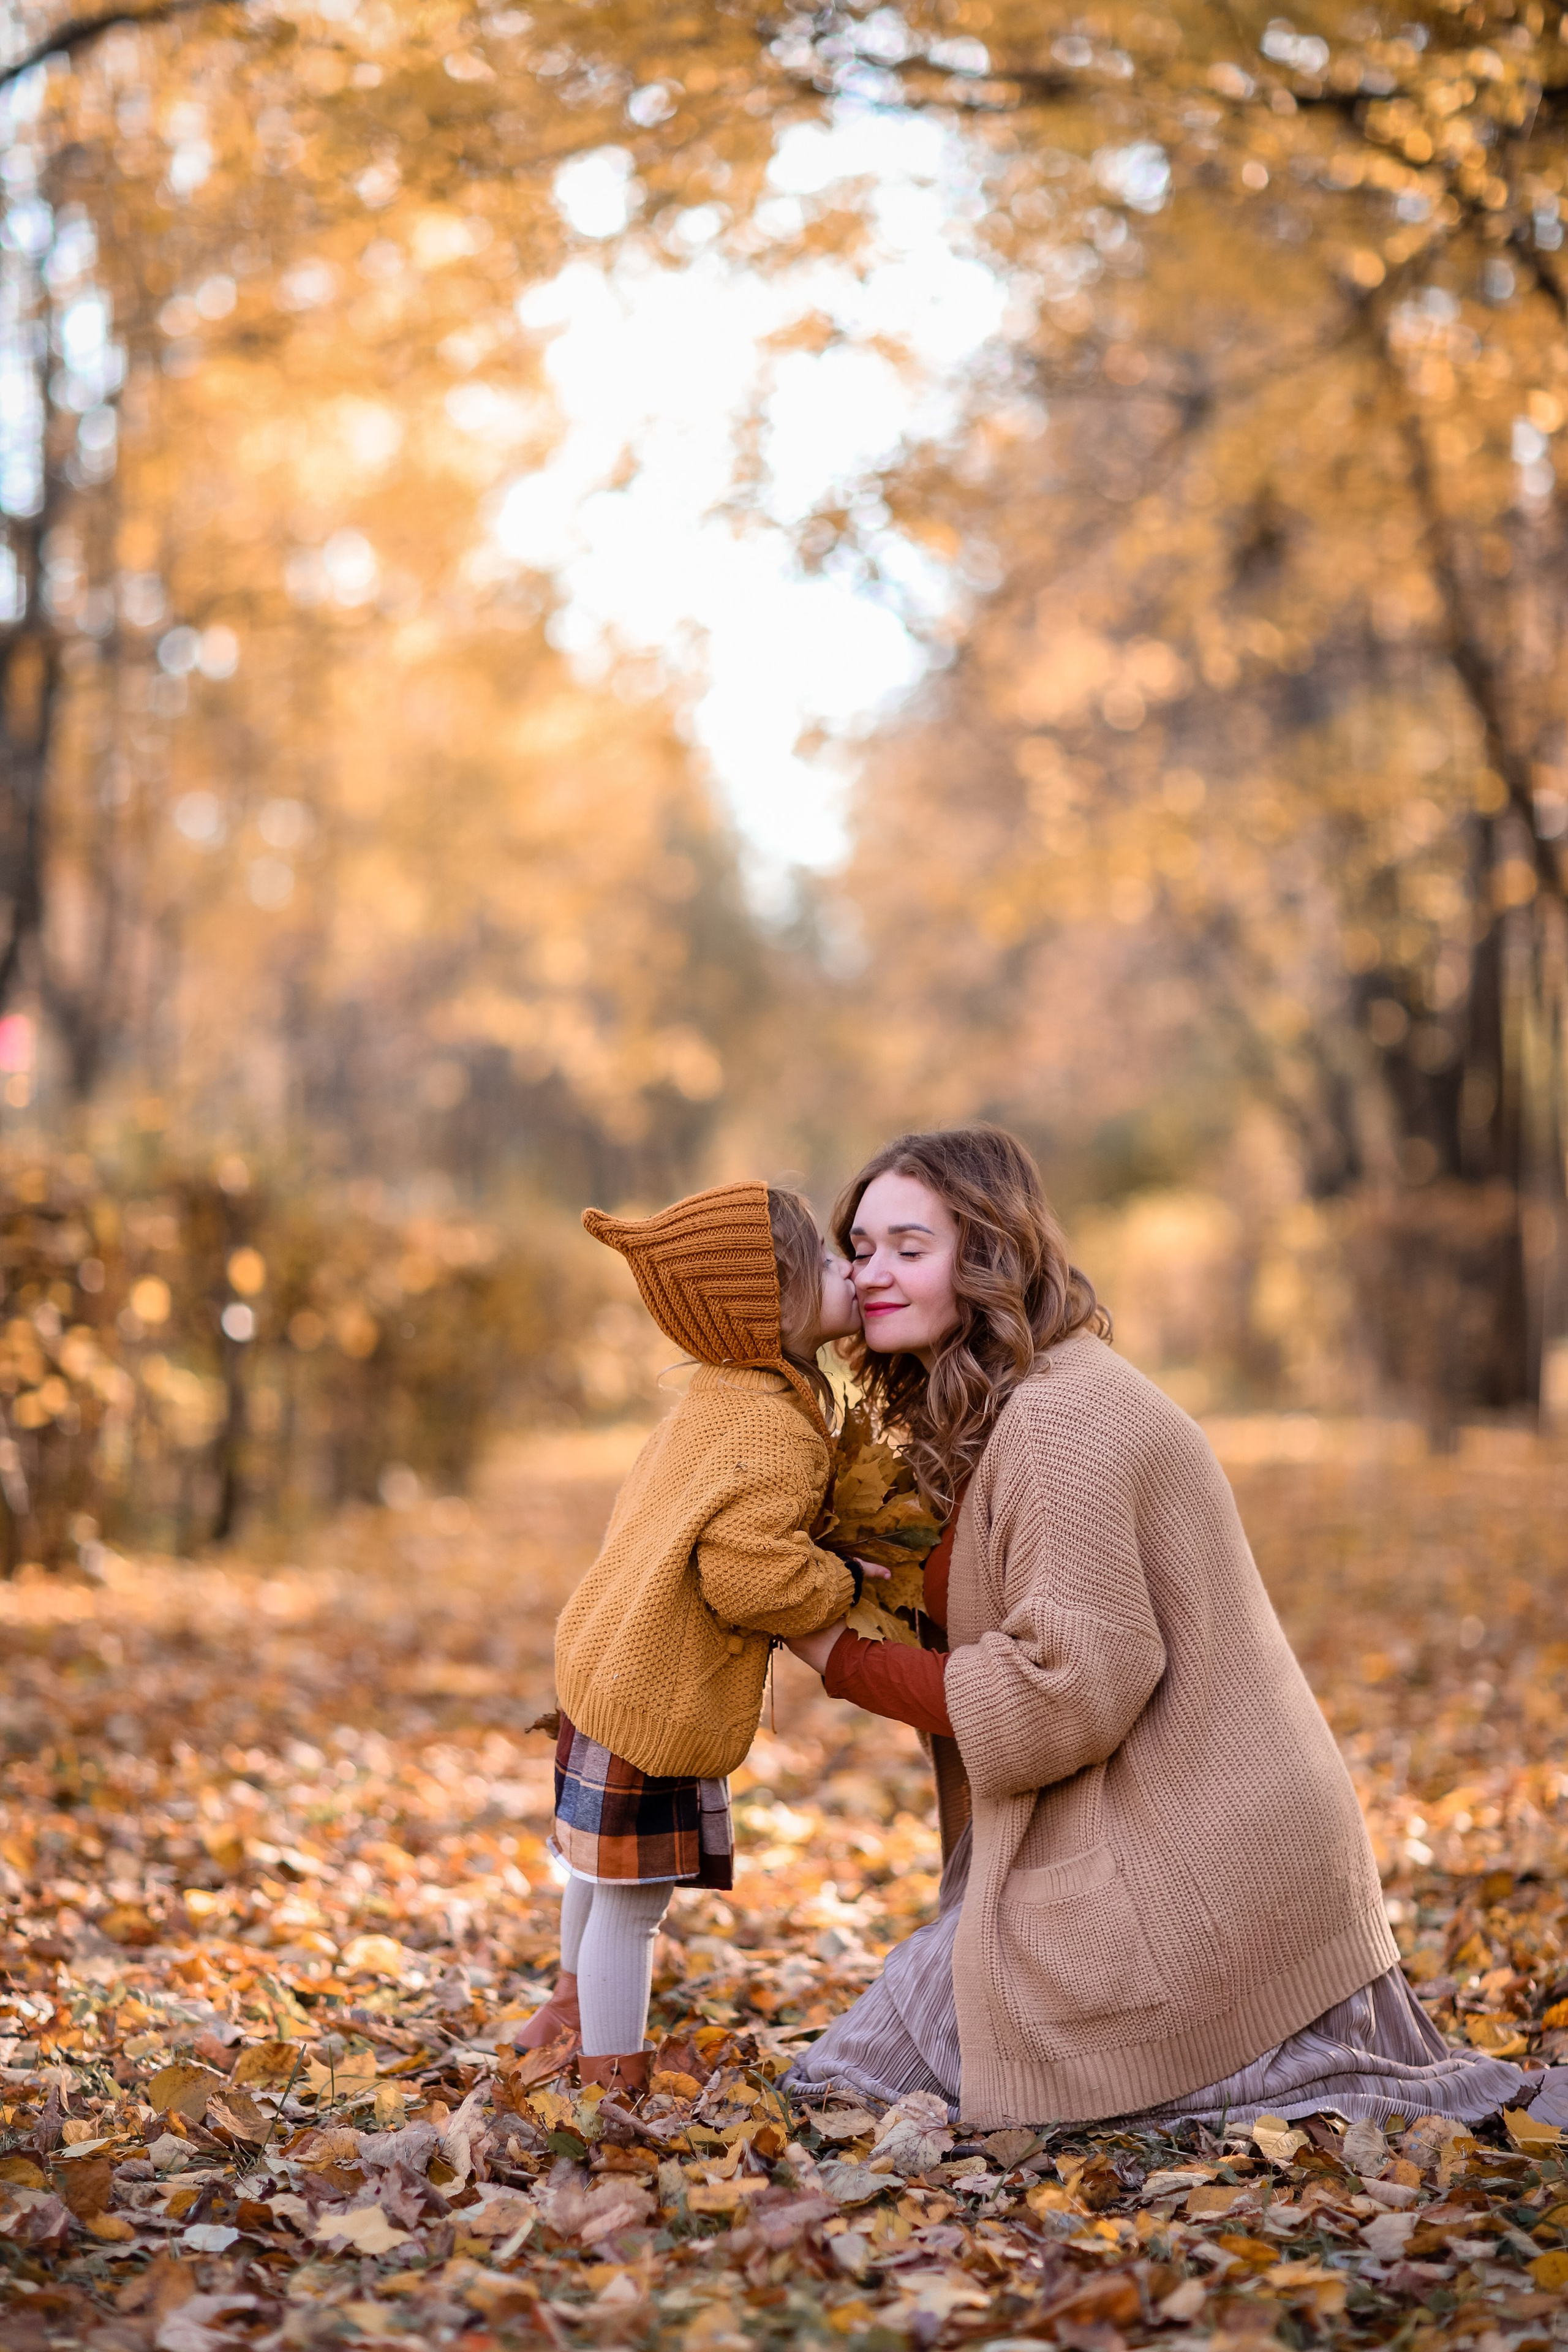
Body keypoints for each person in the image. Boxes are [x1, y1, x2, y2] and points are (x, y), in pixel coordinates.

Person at [783, 1125, 1534, 2131]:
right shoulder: (994, 1407)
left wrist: (834, 1655)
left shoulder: (1059, 1417)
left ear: (988, 1256)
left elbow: (1060, 1692)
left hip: (1201, 1867)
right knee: (857, 2078)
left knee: (848, 2086)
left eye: (909, 1248)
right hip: (1175, 1841)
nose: (872, 1273)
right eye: (861, 1247)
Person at [518, 1179, 886, 2095]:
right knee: (632, 1907)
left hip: (606, 1667)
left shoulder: (717, 1396)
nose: (851, 1270)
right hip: (657, 1692)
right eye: (828, 1261)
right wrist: (838, 1580)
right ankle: (611, 2080)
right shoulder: (773, 1429)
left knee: (592, 1873)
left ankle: (564, 2010)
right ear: (772, 1306)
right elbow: (748, 1576)